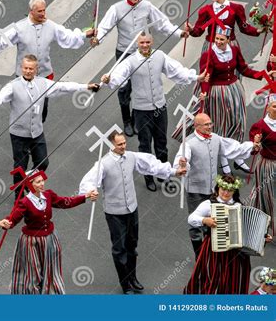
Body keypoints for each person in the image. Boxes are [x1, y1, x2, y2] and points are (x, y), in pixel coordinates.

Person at [79, 130, 187, 294]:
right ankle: (125, 284)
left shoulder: (131, 157)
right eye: (119, 144)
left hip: (132, 209)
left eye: (124, 143)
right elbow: (89, 181)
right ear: (111, 145)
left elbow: (151, 166)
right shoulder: (103, 163)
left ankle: (132, 277)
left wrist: (173, 172)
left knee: (132, 244)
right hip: (114, 213)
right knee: (119, 248)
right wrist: (90, 191)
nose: (123, 146)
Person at [101, 32, 207, 191]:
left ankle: (164, 174)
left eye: (147, 42)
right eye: (142, 42)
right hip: (141, 111)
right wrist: (110, 79)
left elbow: (176, 71)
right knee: (145, 145)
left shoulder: (160, 56)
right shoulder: (130, 61)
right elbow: (118, 75)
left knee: (161, 143)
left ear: (152, 41)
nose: (145, 45)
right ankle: (148, 177)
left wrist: (195, 77)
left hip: (160, 107)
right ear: (137, 43)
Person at [0, 54, 99, 198]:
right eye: (25, 68)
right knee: (20, 167)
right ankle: (19, 195)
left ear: (36, 69)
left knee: (43, 162)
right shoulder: (13, 86)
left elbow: (63, 87)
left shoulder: (43, 83)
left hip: (37, 132)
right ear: (21, 68)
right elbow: (0, 98)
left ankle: (28, 182)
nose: (28, 71)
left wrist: (86, 86)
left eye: (31, 68)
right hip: (19, 134)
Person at [91, 0, 188, 137]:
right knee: (124, 88)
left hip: (144, 52)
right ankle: (127, 120)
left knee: (142, 87)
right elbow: (104, 27)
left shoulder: (147, 6)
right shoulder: (116, 8)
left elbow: (162, 23)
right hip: (125, 53)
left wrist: (179, 33)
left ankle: (137, 118)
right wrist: (98, 39)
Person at [173, 25, 273, 174]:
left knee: (238, 121)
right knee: (222, 124)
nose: (218, 42)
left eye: (221, 39)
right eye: (216, 39)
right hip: (217, 93)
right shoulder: (208, 54)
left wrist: (264, 75)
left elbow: (244, 69)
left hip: (234, 90)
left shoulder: (234, 50)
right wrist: (204, 93)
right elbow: (206, 77)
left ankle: (239, 156)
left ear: (228, 39)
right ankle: (224, 160)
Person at [0, 0, 95, 123]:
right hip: (24, 76)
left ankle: (37, 128)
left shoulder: (51, 26)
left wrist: (85, 34)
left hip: (44, 75)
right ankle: (24, 132)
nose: (43, 14)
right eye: (40, 11)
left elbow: (67, 37)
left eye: (44, 10)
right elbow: (3, 40)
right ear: (31, 11)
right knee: (23, 107)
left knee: (42, 109)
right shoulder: (19, 28)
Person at [173, 113, 262, 259]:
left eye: (210, 123)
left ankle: (213, 251)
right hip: (196, 190)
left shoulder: (215, 138)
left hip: (213, 189)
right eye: (206, 124)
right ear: (196, 126)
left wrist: (252, 145)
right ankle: (198, 257)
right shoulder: (188, 143)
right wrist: (182, 164)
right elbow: (181, 161)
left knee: (216, 219)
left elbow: (232, 148)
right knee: (196, 224)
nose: (210, 126)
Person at [6, 170, 98, 294]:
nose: (42, 184)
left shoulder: (48, 195)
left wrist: (85, 196)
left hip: (49, 239)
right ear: (30, 184)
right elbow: (13, 219)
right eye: (38, 182)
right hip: (31, 242)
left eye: (42, 180)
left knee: (51, 271)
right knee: (32, 273)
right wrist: (6, 223)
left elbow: (65, 202)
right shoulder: (25, 203)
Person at [184, 175, 272, 294]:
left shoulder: (239, 205)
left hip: (235, 250)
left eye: (229, 190)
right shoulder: (208, 204)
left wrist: (263, 237)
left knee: (233, 277)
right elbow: (191, 218)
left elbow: (248, 228)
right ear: (217, 188)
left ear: (234, 191)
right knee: (212, 276)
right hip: (214, 248)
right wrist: (204, 220)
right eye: (223, 189)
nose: (225, 193)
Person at [185, 0, 266, 55]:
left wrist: (258, 30)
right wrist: (191, 29)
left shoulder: (236, 8)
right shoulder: (206, 10)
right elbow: (198, 31)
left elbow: (244, 27)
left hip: (230, 45)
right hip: (211, 47)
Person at [249, 93, 276, 236]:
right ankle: (260, 226)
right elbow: (253, 151)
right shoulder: (259, 126)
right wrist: (256, 143)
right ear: (267, 108)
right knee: (265, 196)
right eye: (274, 106)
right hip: (268, 166)